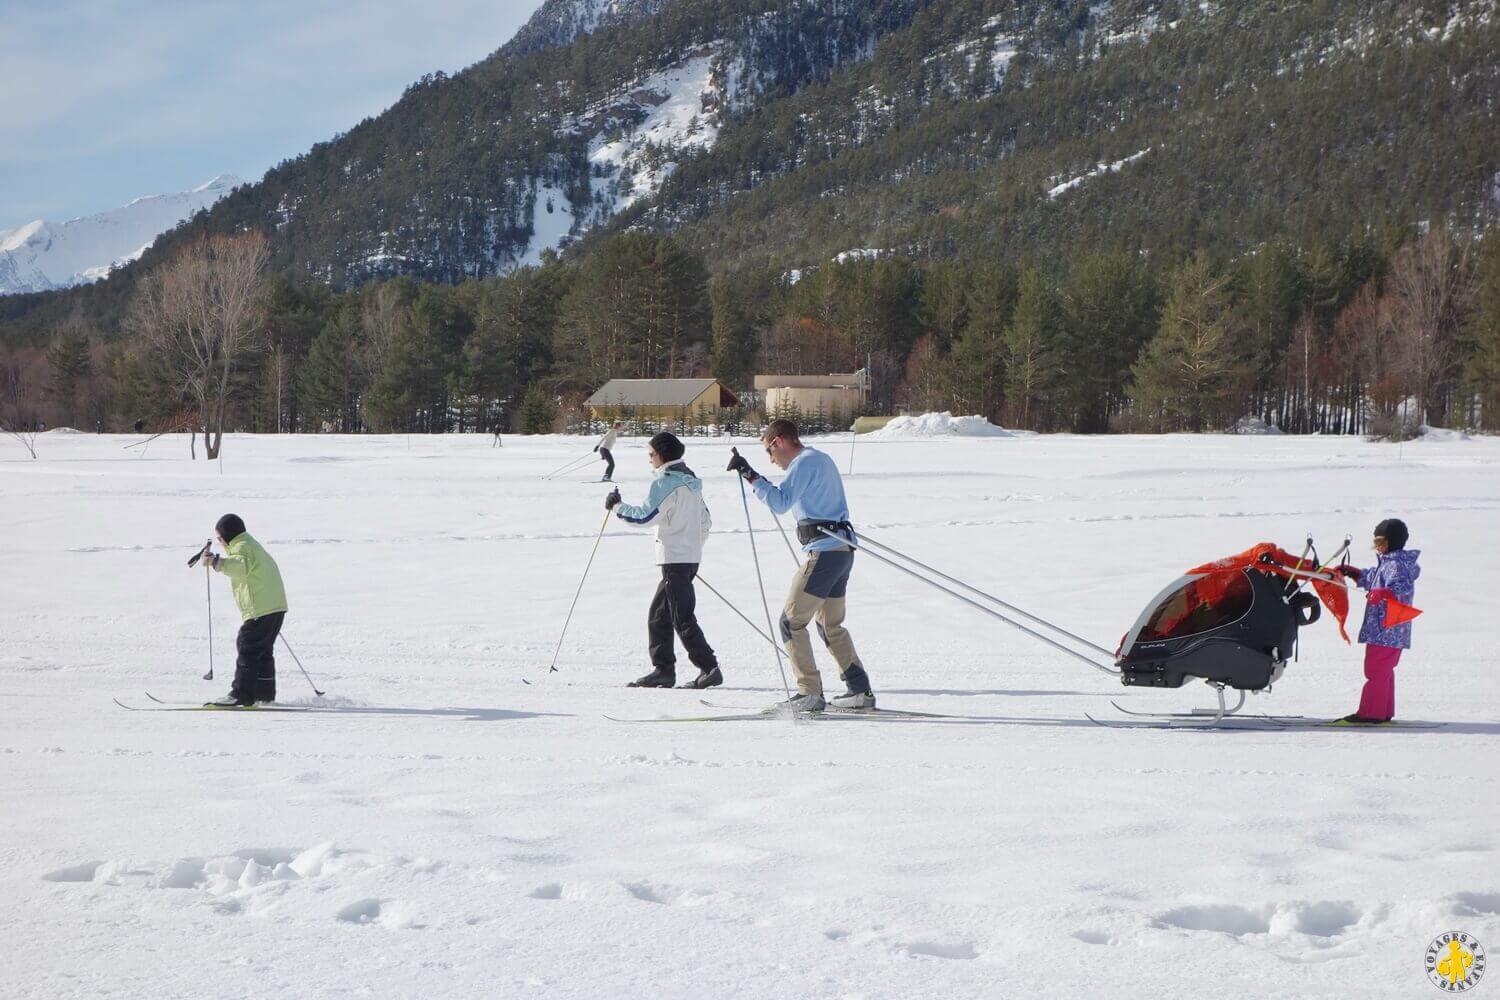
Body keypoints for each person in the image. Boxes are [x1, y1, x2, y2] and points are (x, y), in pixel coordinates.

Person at [727, 418, 875, 712]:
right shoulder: (820, 459)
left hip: (823, 553)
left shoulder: (803, 462)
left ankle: (809, 692)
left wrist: (750, 475)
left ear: (779, 441)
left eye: (770, 452)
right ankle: (859, 690)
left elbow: (781, 503)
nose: (772, 461)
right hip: (841, 551)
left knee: (790, 622)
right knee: (828, 624)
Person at [607, 432, 721, 689]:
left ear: (662, 454)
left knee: (681, 617)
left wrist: (617, 507)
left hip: (676, 559)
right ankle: (663, 670)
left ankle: (709, 667)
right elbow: (706, 521)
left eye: (651, 455)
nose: (649, 460)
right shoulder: (691, 482)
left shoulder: (665, 483)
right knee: (659, 615)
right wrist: (691, 549)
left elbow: (645, 516)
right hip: (686, 558)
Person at [1333, 518, 1420, 724]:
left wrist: (1382, 593)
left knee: (1376, 669)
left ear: (1391, 541)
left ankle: (1371, 713)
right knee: (1383, 670)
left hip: (1387, 627)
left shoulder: (1397, 565)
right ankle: (1383, 710)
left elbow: (1402, 590)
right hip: (1387, 628)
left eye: (1380, 542)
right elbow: (1373, 577)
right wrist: (1355, 573)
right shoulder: (1389, 562)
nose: (1377, 546)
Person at [198, 514, 288, 706]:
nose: (219, 542)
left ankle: (241, 694)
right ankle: (263, 694)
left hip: (261, 608)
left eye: (220, 538)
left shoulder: (242, 547)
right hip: (273, 607)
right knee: (262, 651)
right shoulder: (249, 544)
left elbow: (240, 567)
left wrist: (216, 562)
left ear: (228, 535)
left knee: (248, 644)